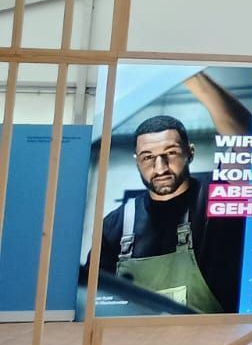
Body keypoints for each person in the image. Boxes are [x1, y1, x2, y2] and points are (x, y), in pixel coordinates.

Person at [97, 115, 244, 313]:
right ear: (137, 161)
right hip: (137, 333)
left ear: (190, 152)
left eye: (171, 153)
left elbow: (248, 143)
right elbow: (94, 296)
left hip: (214, 331)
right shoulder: (116, 224)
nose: (160, 168)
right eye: (148, 157)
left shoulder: (218, 198)